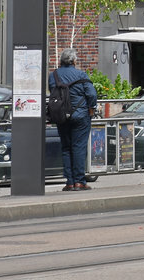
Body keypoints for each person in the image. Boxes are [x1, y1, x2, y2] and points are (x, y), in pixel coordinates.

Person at [49, 48, 98, 191]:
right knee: (79, 147)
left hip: (61, 116)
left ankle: (69, 182)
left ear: (61, 61)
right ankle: (79, 181)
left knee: (66, 147)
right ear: (74, 61)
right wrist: (91, 108)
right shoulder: (81, 74)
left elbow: (53, 93)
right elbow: (92, 94)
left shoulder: (54, 76)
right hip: (80, 116)